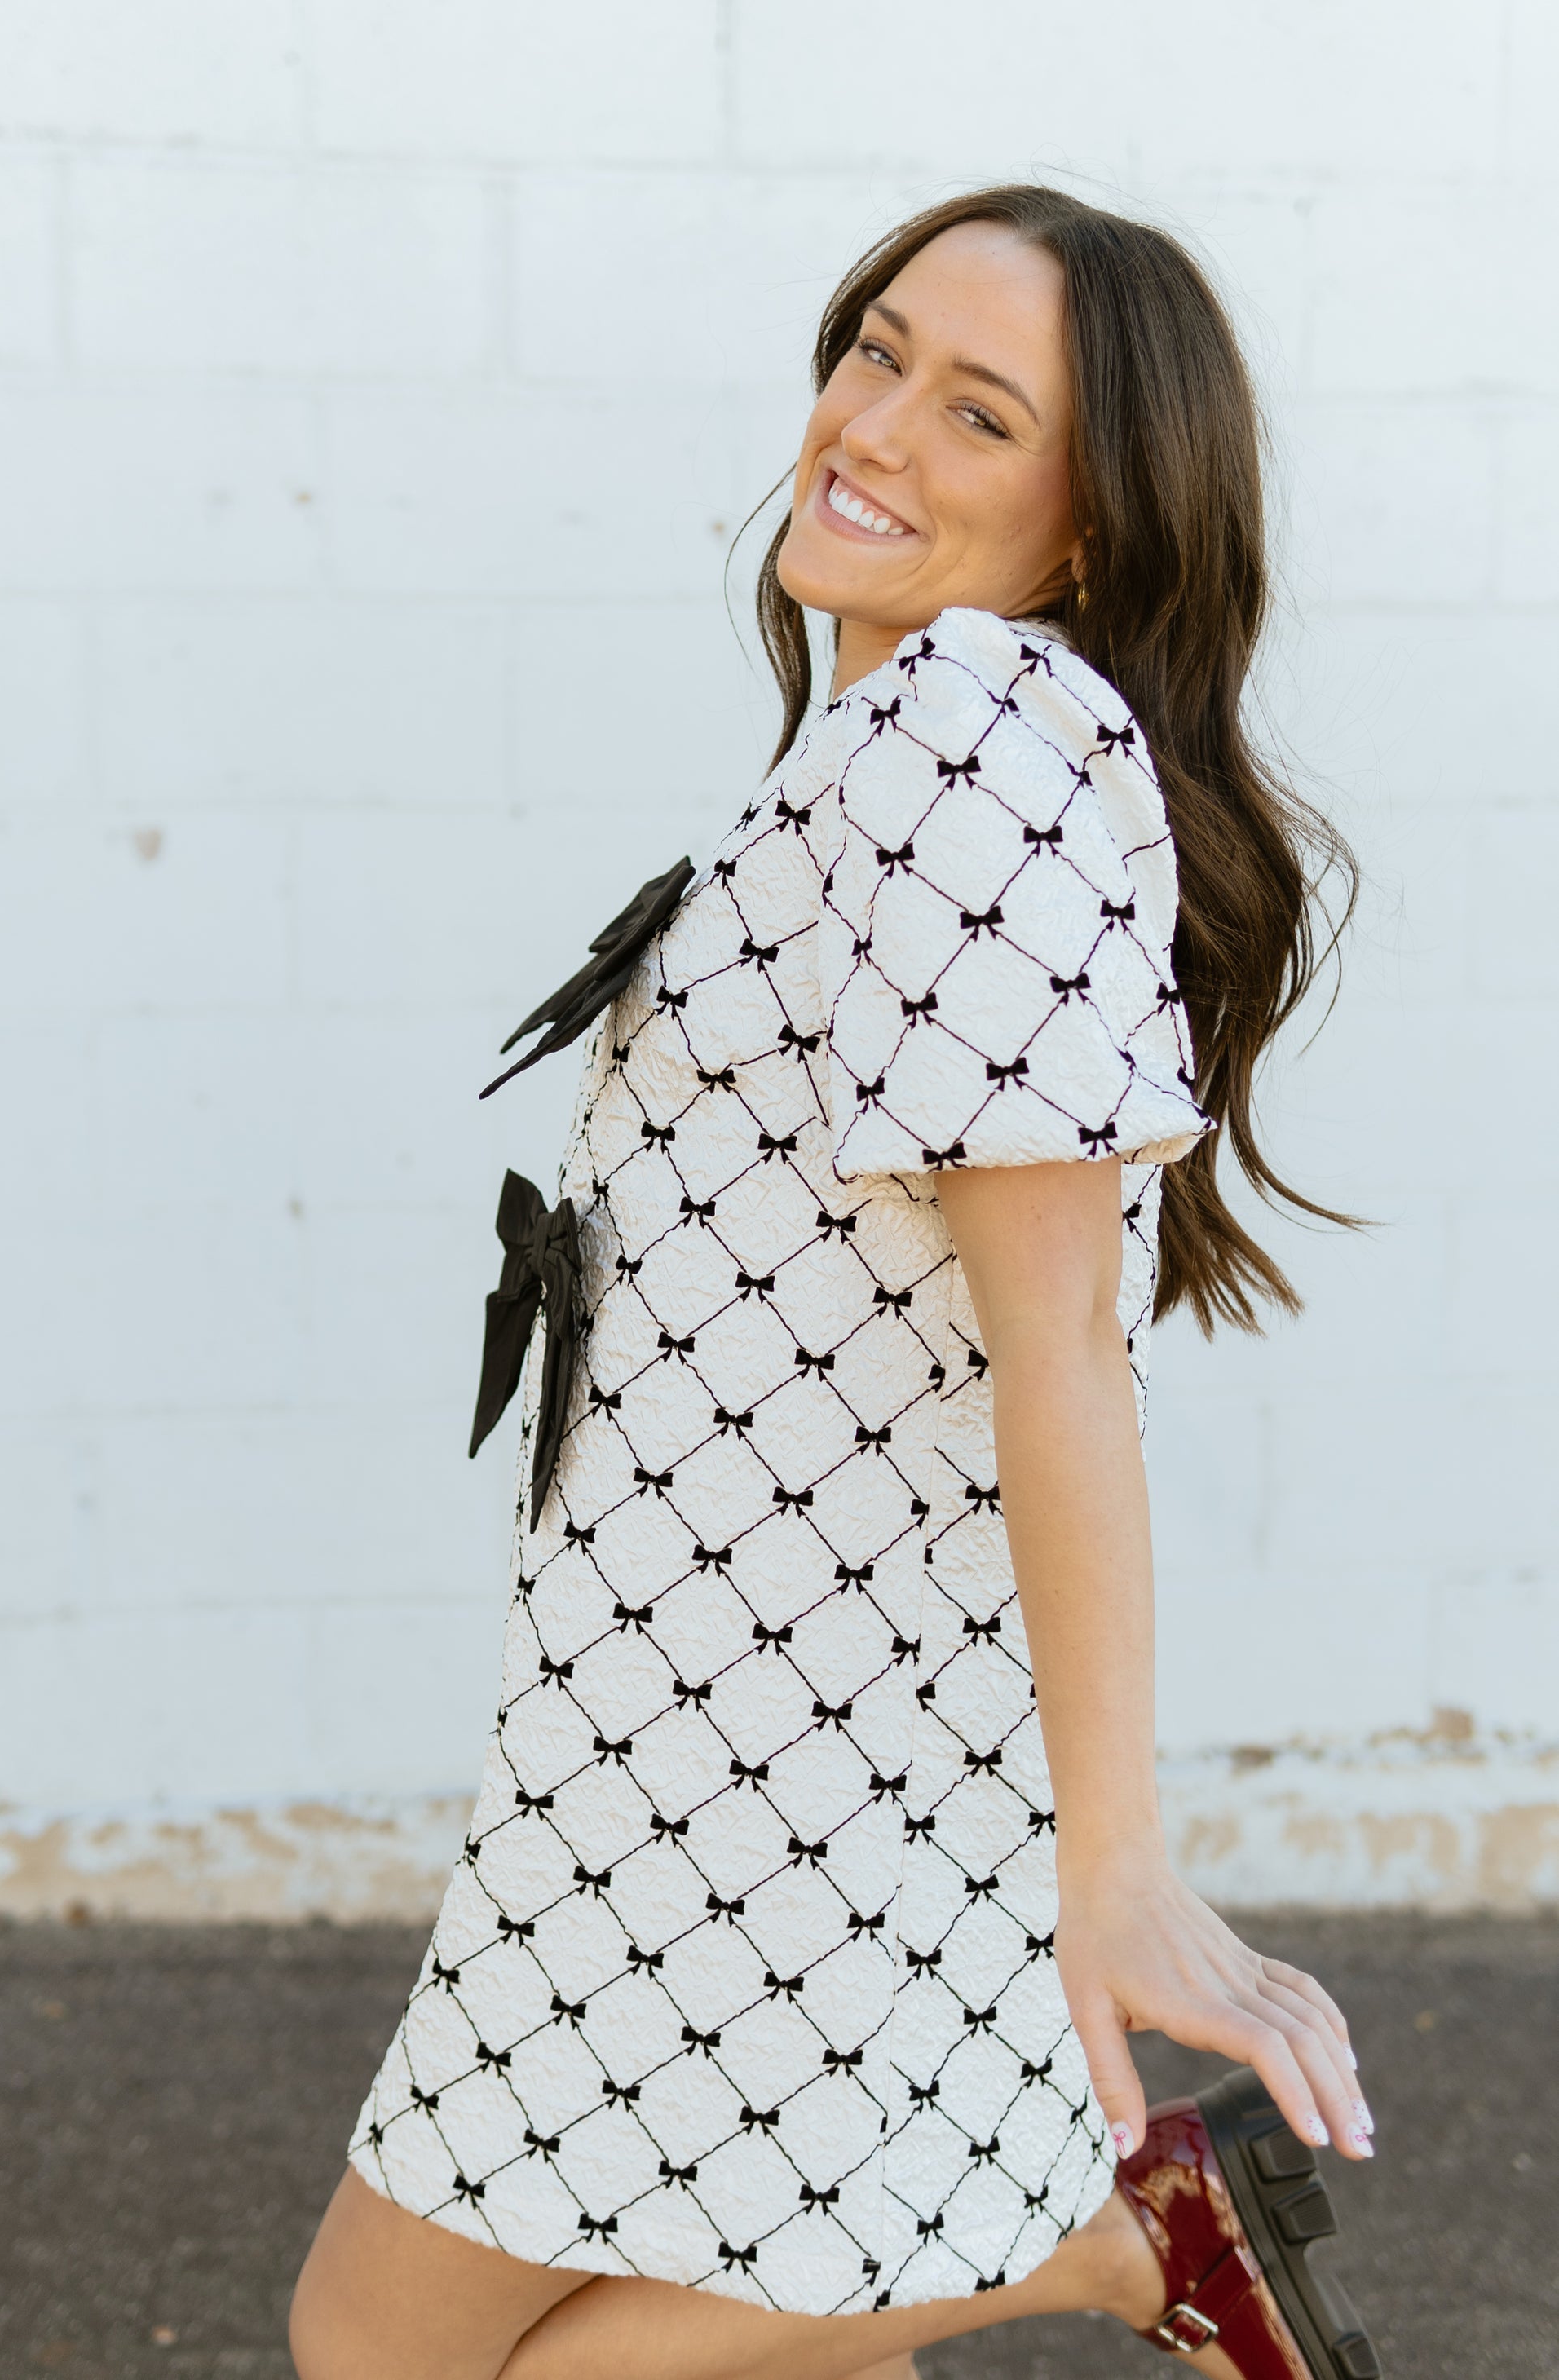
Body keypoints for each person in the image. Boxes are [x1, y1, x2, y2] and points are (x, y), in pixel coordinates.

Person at [290, 185, 1379, 2380]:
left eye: (973, 413)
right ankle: (1101, 2238)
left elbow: (1058, 1333)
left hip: (773, 1757)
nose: (867, 428)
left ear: (1084, 528)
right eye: (875, 350)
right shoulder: (896, 743)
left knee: (390, 2352)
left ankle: (1102, 2245)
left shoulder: (975, 735)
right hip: (700, 1710)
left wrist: (1119, 1863)